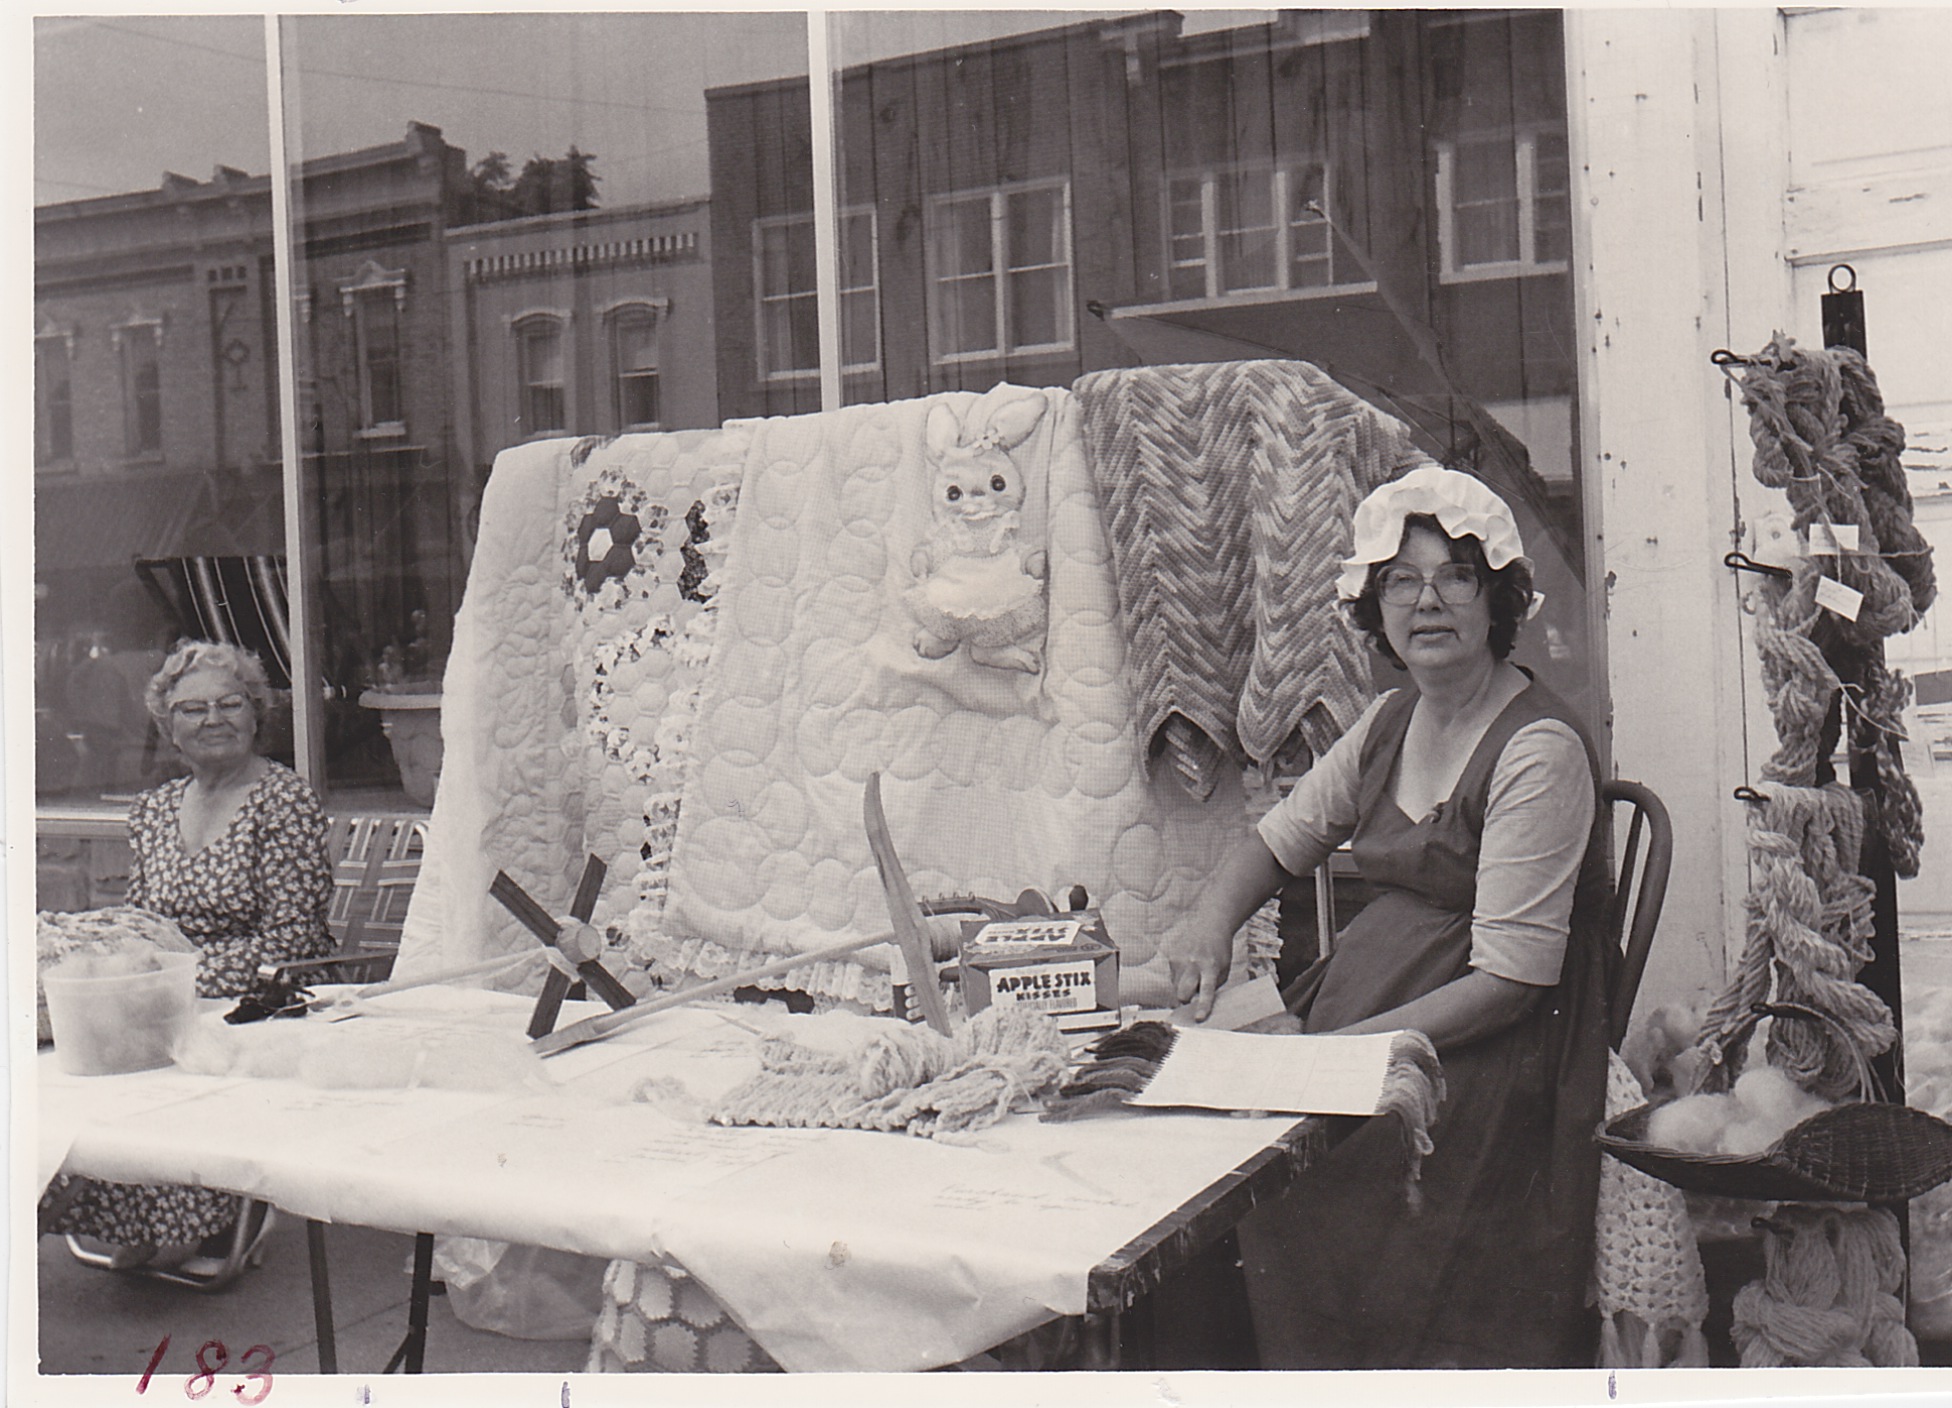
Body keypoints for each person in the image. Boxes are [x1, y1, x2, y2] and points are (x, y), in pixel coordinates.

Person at [1169, 463, 1612, 1369]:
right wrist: (1208, 923)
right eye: (1400, 581)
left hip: (1482, 1057)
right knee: (1199, 1142)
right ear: (1375, 609)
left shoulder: (1539, 748)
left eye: (1456, 575)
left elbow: (1511, 985)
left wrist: (1350, 1057)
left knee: (1287, 1182)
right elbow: (1278, 842)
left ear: (1498, 599)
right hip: (1368, 1027)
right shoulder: (1384, 721)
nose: (1428, 601)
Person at [44, 640, 334, 1277]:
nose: (213, 719)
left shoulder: (283, 802)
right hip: (167, 988)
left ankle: (223, 1216)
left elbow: (294, 942)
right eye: (192, 709)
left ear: (257, 714)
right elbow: (144, 923)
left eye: (230, 704)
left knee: (175, 1046)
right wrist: (125, 965)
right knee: (86, 1048)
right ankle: (124, 1213)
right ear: (167, 726)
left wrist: (170, 976)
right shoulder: (153, 811)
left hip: (267, 995)